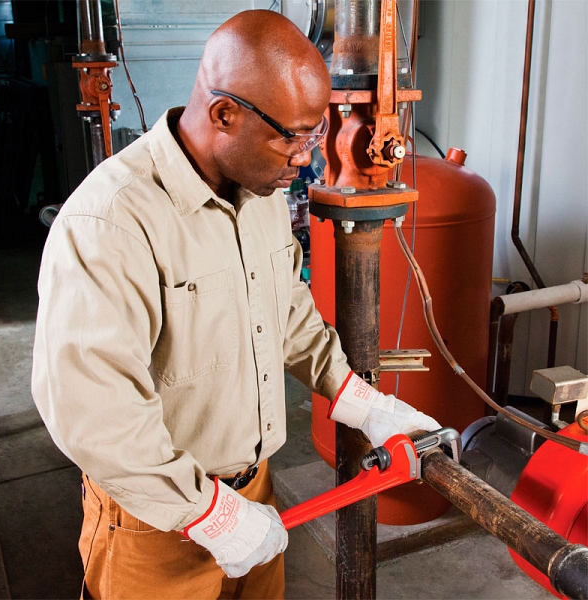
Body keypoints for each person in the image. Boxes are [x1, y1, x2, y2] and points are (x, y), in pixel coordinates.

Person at [32, 9, 439, 600]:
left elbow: (286, 309)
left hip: (255, 496)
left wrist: (357, 398)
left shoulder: (259, 188)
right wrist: (207, 512)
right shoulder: (110, 222)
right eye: (293, 138)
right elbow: (91, 407)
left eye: (314, 136)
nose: (305, 160)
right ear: (225, 114)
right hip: (156, 522)